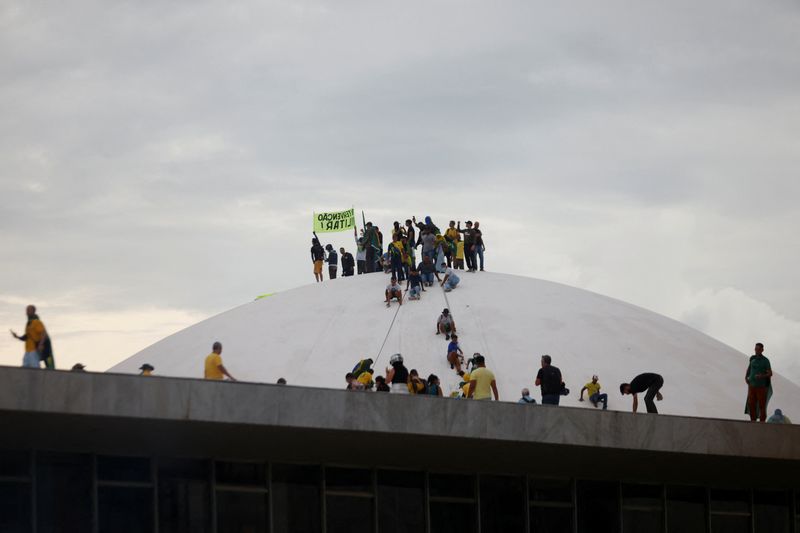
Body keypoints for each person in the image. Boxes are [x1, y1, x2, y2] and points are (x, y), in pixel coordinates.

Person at [10, 304, 51, 369]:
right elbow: (27, 336)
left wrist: (41, 344)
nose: (26, 312)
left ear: (33, 311)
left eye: (28, 310)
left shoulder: (36, 322)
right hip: (27, 350)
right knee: (25, 368)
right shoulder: (29, 323)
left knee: (35, 368)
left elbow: (43, 333)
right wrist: (17, 336)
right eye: (26, 310)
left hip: (34, 350)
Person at [745, 342, 772, 422]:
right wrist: (746, 377)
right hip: (752, 386)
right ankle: (753, 421)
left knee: (761, 405)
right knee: (751, 404)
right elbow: (749, 369)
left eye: (759, 349)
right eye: (756, 349)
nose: (757, 351)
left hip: (761, 387)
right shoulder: (752, 359)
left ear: (762, 350)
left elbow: (770, 373)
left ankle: (762, 421)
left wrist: (762, 376)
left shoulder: (765, 360)